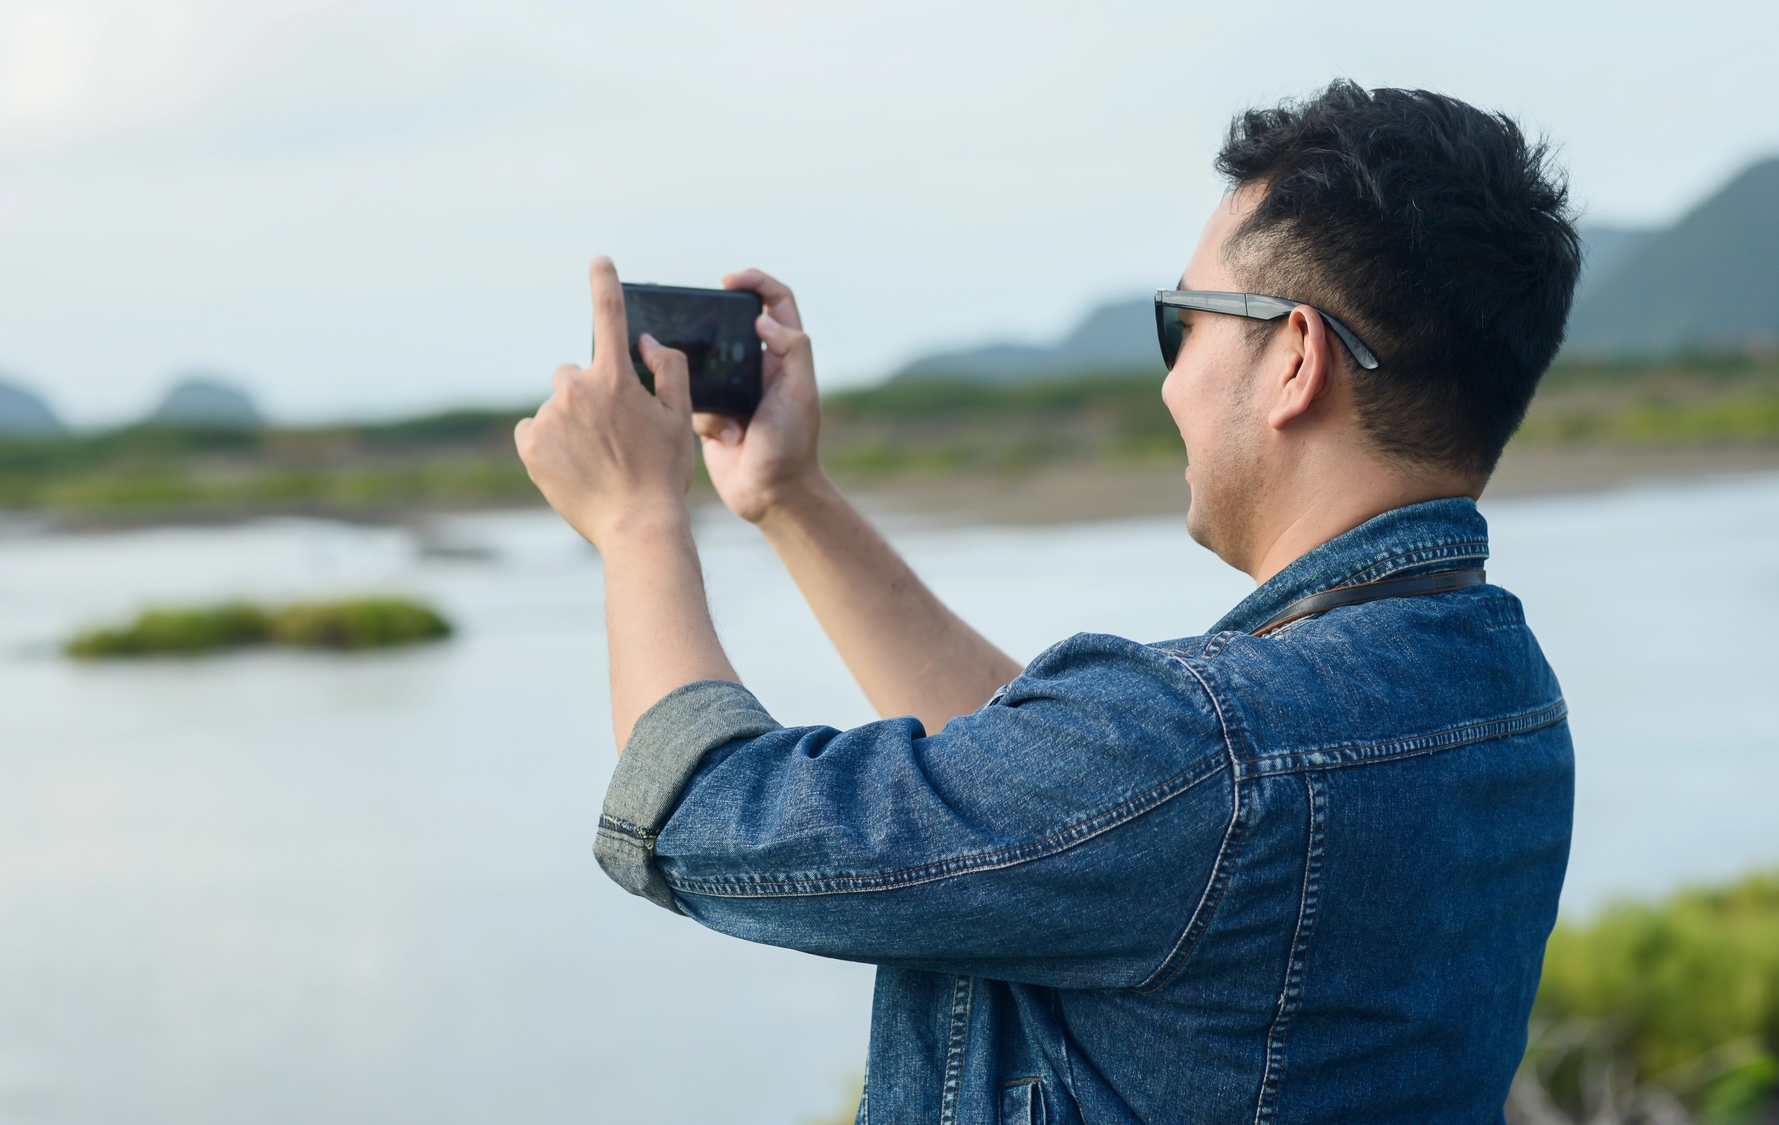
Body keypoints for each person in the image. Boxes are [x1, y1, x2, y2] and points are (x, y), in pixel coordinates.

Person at [514, 80, 1580, 1124]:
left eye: (1183, 324)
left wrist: (635, 521)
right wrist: (791, 500)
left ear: (1294, 357)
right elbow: (1049, 795)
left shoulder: (1207, 753)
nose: (1167, 382)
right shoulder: (1502, 686)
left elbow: (706, 817)